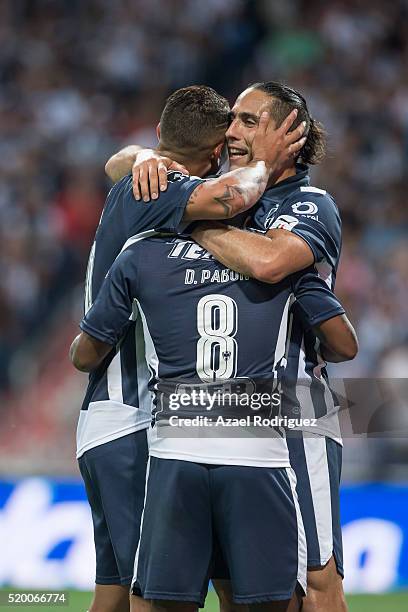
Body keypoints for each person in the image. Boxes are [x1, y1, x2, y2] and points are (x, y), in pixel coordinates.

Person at [107, 81, 350, 612]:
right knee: (233, 584)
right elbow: (116, 165)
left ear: (290, 135)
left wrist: (189, 221)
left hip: (294, 411)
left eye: (247, 120)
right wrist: (148, 156)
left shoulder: (310, 203)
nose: (230, 130)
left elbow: (269, 261)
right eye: (231, 119)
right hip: (216, 419)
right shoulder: (231, 192)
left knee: (316, 576)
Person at [70, 224, 356, 612]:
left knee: (151, 602)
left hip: (175, 449)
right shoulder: (282, 259)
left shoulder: (142, 253)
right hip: (258, 454)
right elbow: (343, 345)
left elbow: (85, 356)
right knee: (271, 600)